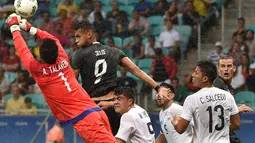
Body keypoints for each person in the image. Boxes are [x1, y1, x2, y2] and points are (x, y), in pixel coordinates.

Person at [5, 13, 115, 142]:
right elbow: (53, 39)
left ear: (41, 57)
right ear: (57, 51)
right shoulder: (63, 58)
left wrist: (13, 27)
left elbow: (22, 49)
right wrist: (30, 28)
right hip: (96, 112)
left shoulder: (37, 70)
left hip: (86, 119)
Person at [71, 19, 164, 135]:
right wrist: (157, 87)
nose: (76, 41)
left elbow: (72, 84)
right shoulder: (114, 51)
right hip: (113, 106)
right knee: (116, 139)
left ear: (89, 34)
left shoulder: (78, 54)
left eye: (78, 36)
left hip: (93, 107)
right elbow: (137, 71)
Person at [171, 61, 240, 143]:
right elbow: (236, 124)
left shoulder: (192, 99)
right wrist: (221, 130)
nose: (192, 75)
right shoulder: (228, 96)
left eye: (196, 73)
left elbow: (180, 129)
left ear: (205, 79)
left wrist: (175, 123)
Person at [213, 55, 253, 143]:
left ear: (234, 69)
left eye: (229, 66)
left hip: (226, 133)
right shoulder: (218, 86)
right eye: (223, 66)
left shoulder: (228, 87)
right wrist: (237, 109)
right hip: (217, 136)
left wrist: (235, 108)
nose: (226, 69)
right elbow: (215, 114)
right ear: (218, 69)